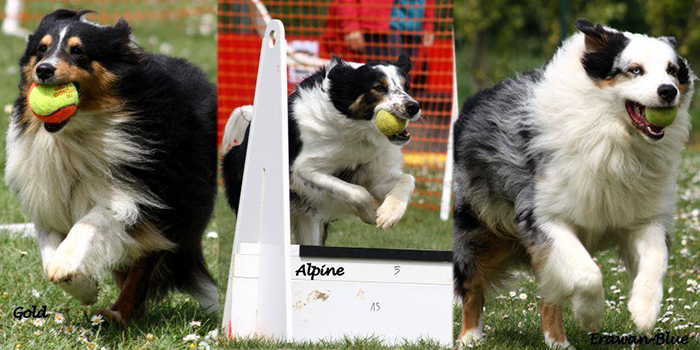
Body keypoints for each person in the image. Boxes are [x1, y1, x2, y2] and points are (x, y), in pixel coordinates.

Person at [322, 0, 435, 62]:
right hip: (381, 27)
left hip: (415, 27)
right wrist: (350, 25)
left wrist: (429, 23)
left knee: (404, 81)